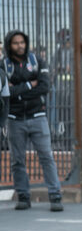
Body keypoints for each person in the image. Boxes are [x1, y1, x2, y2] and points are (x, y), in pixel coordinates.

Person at [4, 30, 63, 211]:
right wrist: (30, 84)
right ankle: (23, 196)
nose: (20, 46)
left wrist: (19, 92)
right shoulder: (3, 66)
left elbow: (44, 86)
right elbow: (6, 92)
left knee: (46, 156)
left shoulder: (37, 61)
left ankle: (55, 196)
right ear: (9, 45)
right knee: (17, 160)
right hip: (15, 119)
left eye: (22, 42)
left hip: (38, 117)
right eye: (15, 43)